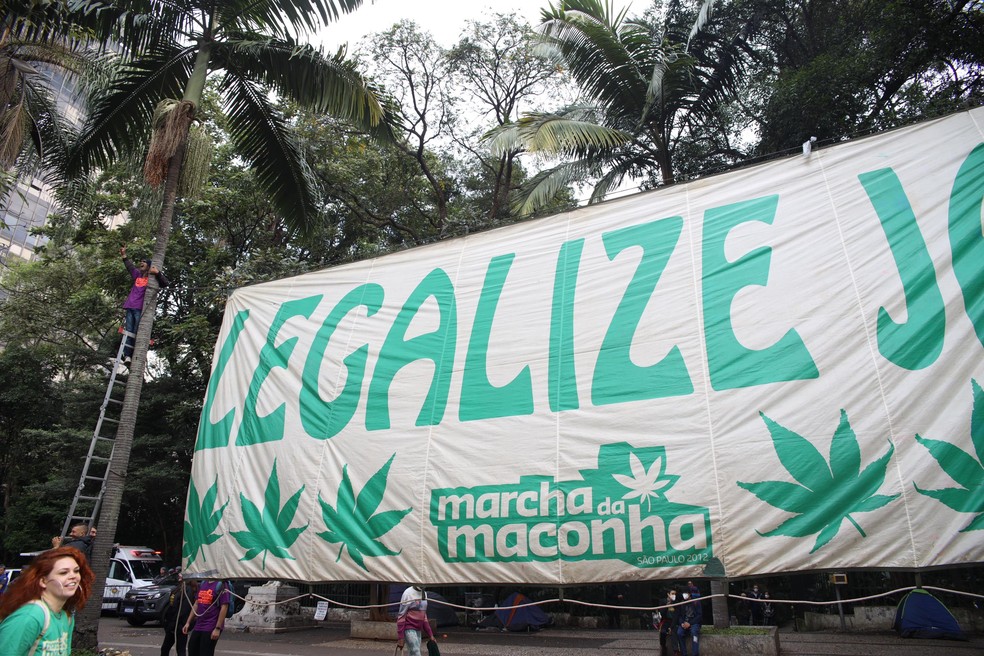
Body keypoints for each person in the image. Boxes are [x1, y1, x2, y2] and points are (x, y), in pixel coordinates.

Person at [0, 546, 95, 656]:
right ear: (43, 581)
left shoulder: (67, 617)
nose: (73, 576)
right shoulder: (30, 616)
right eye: (63, 573)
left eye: (76, 571)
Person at [120, 245, 170, 360]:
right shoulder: (137, 275)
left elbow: (165, 283)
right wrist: (123, 255)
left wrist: (157, 273)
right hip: (130, 306)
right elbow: (129, 266)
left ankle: (133, 355)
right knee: (129, 331)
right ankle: (127, 355)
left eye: (144, 262)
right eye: (140, 261)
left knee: (137, 332)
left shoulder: (151, 279)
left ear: (148, 265)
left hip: (139, 308)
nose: (141, 263)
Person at [183, 578, 230, 656]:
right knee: (192, 649)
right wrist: (188, 622)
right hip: (199, 624)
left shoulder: (221, 585)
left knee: (205, 652)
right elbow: (196, 604)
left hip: (211, 625)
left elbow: (224, 606)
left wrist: (217, 628)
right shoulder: (203, 583)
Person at [396, 584, 436, 656]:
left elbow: (424, 616)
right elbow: (401, 616)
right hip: (409, 628)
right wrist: (400, 637)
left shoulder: (424, 594)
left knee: (412, 653)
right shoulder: (407, 593)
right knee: (416, 651)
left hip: (418, 629)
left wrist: (431, 635)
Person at [162, 576, 196, 656]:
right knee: (165, 648)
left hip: (179, 625)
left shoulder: (188, 590)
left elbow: (185, 609)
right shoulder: (178, 588)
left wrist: (178, 625)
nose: (179, 575)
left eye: (182, 573)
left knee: (180, 650)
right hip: (172, 625)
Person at [676, 584, 702, 656]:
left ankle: (695, 654)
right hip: (684, 623)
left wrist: (690, 623)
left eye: (685, 593)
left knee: (694, 634)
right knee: (679, 633)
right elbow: (680, 616)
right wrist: (682, 623)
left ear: (689, 594)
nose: (684, 595)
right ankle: (684, 653)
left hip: (694, 623)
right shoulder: (682, 603)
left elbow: (699, 615)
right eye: (683, 593)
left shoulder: (696, 602)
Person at [657, 587, 679, 656]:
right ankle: (663, 647)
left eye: (675, 594)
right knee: (663, 632)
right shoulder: (663, 601)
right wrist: (667, 606)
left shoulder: (676, 602)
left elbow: (677, 615)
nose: (674, 595)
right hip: (666, 621)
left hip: (674, 621)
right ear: (668, 594)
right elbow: (661, 613)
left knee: (673, 631)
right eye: (672, 594)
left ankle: (676, 651)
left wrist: (671, 626)